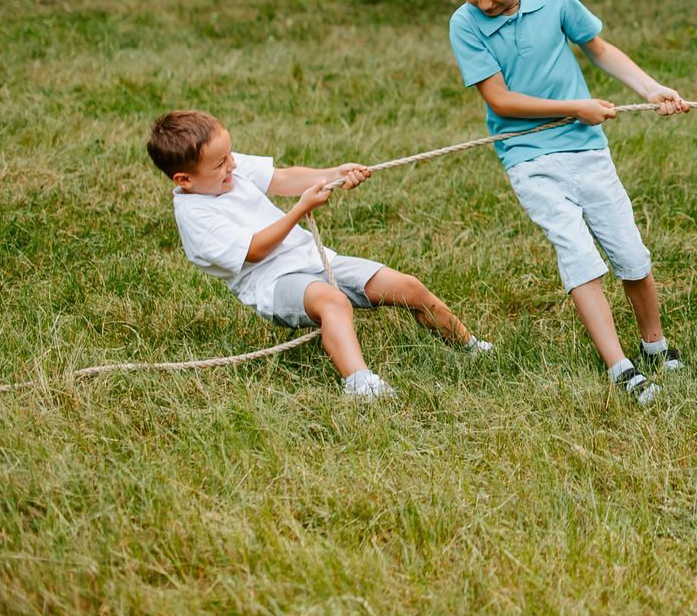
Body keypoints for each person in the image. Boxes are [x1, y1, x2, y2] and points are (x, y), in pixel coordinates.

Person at [445, 0, 689, 406]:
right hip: (527, 158)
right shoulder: (465, 25)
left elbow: (598, 49)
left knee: (630, 253)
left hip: (586, 151)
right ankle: (619, 367)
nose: (484, 3)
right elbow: (501, 101)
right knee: (578, 253)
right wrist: (575, 106)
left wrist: (650, 87)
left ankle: (654, 346)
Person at [150, 109, 490, 399]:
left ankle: (469, 345)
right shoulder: (196, 216)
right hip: (272, 281)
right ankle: (359, 384)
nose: (232, 165)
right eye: (221, 164)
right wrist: (299, 210)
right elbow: (255, 251)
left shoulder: (228, 170)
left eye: (230, 155)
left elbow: (282, 178)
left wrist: (335, 174)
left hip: (313, 258)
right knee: (332, 301)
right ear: (185, 179)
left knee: (408, 286)